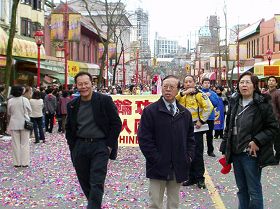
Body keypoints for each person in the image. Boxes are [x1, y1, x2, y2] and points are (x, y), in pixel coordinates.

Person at [220, 72, 279, 209]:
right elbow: (228, 127)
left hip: (251, 155)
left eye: (247, 82)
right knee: (242, 190)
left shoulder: (262, 103)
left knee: (254, 190)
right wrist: (224, 149)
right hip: (235, 152)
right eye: (241, 82)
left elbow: (272, 127)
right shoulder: (234, 101)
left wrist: (257, 141)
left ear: (254, 85)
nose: (244, 85)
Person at [65, 71, 122, 209]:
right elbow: (69, 129)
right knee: (85, 181)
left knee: (97, 181)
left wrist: (108, 146)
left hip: (100, 146)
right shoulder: (72, 104)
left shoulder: (104, 100)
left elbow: (116, 123)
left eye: (86, 83)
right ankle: (94, 204)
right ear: (76, 86)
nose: (83, 87)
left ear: (92, 84)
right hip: (80, 146)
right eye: (80, 84)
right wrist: (73, 148)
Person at [138, 75, 195, 209]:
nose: (168, 90)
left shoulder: (184, 113)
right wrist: (155, 158)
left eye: (172, 87)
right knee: (155, 203)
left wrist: (188, 157)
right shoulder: (150, 111)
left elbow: (190, 139)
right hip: (157, 165)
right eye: (165, 87)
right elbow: (144, 139)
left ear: (178, 90)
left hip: (178, 164)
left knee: (173, 203)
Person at [176, 75, 213, 189]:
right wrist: (183, 93)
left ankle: (200, 178)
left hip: (196, 128)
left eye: (190, 82)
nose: (188, 84)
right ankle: (190, 177)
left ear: (194, 82)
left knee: (197, 153)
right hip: (183, 128)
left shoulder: (199, 94)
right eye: (186, 82)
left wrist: (201, 120)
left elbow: (209, 107)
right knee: (186, 153)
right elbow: (173, 100)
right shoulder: (181, 95)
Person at [7, 86, 32, 167]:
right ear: (21, 92)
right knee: (25, 144)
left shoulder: (10, 101)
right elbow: (30, 111)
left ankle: (16, 162)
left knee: (15, 144)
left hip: (14, 123)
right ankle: (25, 162)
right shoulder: (25, 100)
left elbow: (9, 112)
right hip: (24, 123)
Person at [201, 78, 219, 157]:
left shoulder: (213, 93)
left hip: (210, 117)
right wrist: (205, 96)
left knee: (210, 135)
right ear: (202, 84)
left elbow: (216, 103)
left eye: (208, 83)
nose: (207, 84)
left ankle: (210, 151)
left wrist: (209, 97)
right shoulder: (199, 93)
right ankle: (199, 151)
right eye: (205, 83)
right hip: (201, 117)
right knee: (199, 136)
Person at [267, 75, 280, 164]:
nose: (271, 82)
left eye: (273, 80)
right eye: (269, 80)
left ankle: (277, 158)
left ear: (276, 83)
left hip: (276, 121)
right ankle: (270, 157)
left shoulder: (278, 93)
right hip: (267, 121)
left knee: (277, 141)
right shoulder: (265, 93)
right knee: (268, 140)